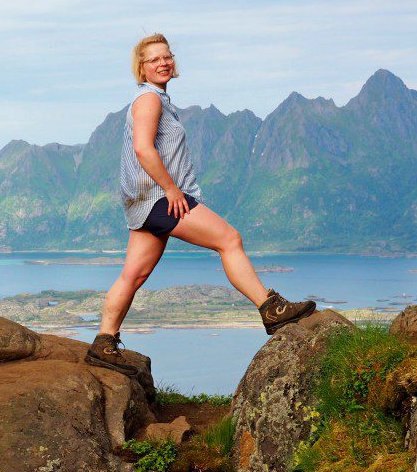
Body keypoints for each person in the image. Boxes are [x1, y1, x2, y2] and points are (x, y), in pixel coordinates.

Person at [85, 33, 316, 376]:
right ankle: (270, 308)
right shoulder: (149, 100)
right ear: (142, 68)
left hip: (144, 203)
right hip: (161, 198)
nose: (163, 63)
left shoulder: (156, 99)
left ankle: (104, 343)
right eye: (154, 60)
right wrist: (173, 190)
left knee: (134, 274)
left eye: (167, 57)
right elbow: (143, 149)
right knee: (229, 239)